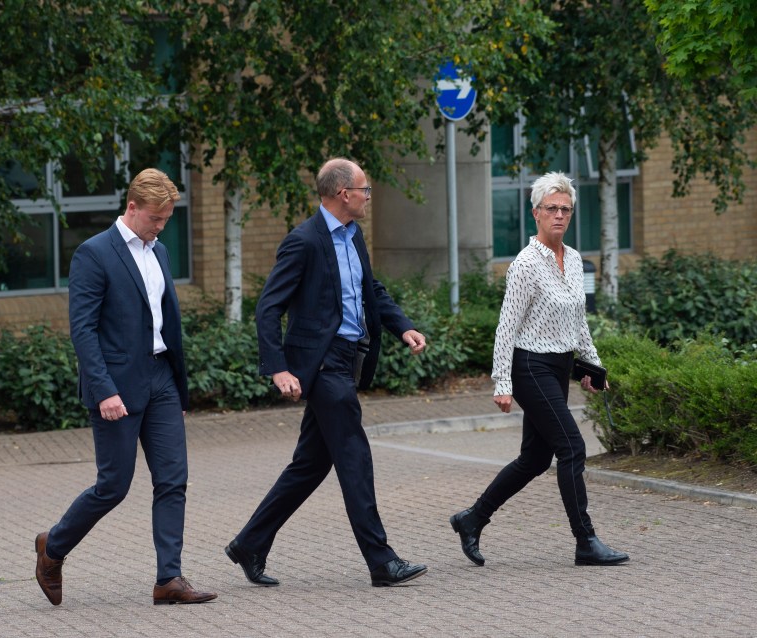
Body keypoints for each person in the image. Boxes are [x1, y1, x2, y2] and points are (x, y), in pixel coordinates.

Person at [225, 158, 429, 588]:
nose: (369, 195)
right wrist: (277, 368)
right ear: (343, 194)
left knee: (309, 465)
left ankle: (249, 543)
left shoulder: (353, 237)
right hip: (322, 365)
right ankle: (381, 560)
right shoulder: (303, 241)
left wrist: (403, 326)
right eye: (365, 189)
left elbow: (370, 291)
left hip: (349, 359)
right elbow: (268, 307)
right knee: (354, 455)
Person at [34, 168, 216, 606]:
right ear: (132, 207)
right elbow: (83, 330)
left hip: (162, 380)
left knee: (173, 480)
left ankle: (168, 579)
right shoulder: (93, 254)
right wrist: (104, 390)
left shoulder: (160, 252)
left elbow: (165, 322)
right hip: (116, 385)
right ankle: (52, 548)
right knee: (113, 485)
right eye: (155, 218)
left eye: (166, 219)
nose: (160, 227)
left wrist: (178, 384)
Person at [449, 171, 629, 567]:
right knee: (572, 447)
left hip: (559, 365)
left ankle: (472, 519)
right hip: (530, 365)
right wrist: (502, 381)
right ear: (536, 213)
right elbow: (506, 326)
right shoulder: (525, 265)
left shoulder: (576, 258)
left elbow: (579, 321)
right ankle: (586, 541)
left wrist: (592, 365)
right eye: (552, 208)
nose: (560, 215)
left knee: (534, 460)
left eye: (566, 209)